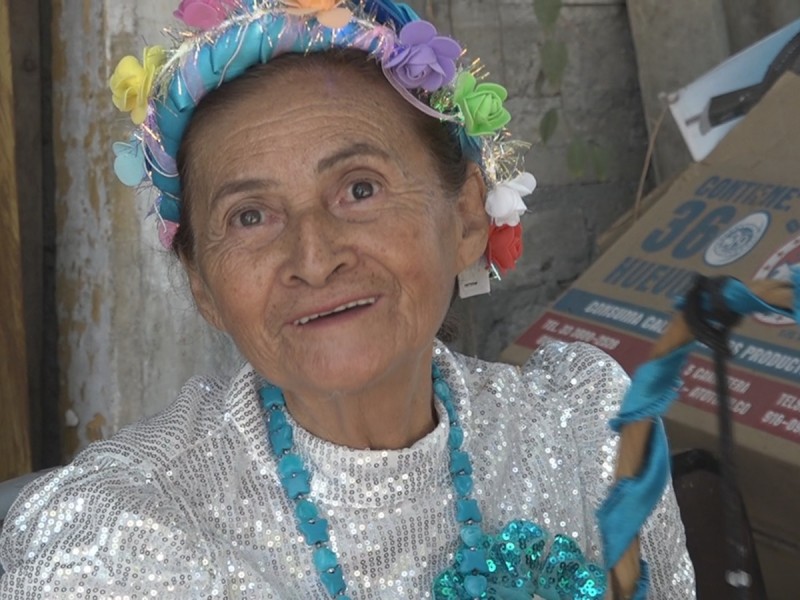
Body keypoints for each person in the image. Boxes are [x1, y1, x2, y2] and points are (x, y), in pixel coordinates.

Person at [0, 1, 695, 598]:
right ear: (203, 287)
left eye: (359, 189)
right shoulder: (114, 542)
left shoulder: (587, 432)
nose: (314, 257)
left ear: (467, 220)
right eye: (251, 216)